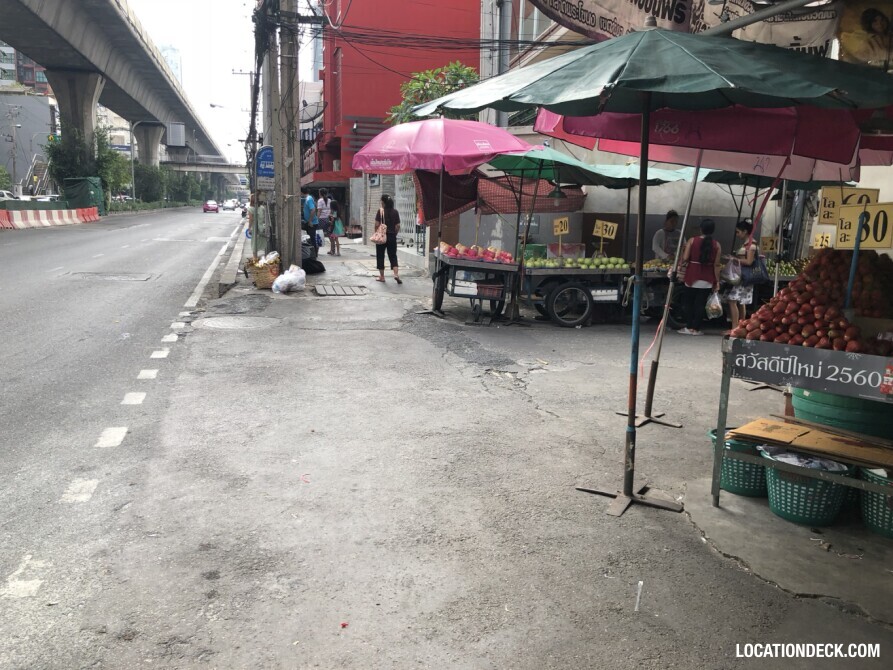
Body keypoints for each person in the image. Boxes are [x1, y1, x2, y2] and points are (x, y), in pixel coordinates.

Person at [676, 218, 721, 336]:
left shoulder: (692, 241)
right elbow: (716, 265)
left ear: (701, 229)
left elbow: (685, 258)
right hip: (707, 278)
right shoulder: (717, 245)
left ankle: (688, 326)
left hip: (692, 276)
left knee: (688, 303)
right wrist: (717, 281)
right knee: (700, 304)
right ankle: (696, 329)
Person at [723, 220, 757, 330]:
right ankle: (741, 327)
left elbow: (749, 262)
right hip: (742, 276)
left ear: (745, 231)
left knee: (732, 300)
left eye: (738, 232)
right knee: (741, 302)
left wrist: (734, 259)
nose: (737, 234)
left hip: (743, 277)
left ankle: (734, 327)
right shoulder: (747, 244)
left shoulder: (751, 245)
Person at [374, 194, 401, 284]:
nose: (380, 202)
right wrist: (394, 234)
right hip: (392, 236)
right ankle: (396, 274)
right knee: (393, 256)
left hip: (382, 237)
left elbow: (377, 224)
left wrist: (376, 233)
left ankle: (382, 277)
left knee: (380, 256)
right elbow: (397, 226)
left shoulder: (380, 211)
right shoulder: (395, 212)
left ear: (383, 202)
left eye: (381, 201)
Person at [302, 187, 320, 255]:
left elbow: (313, 210)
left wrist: (310, 221)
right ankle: (312, 253)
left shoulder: (308, 199)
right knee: (310, 238)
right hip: (309, 222)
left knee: (312, 239)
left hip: (312, 223)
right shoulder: (308, 198)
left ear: (301, 192)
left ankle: (314, 254)